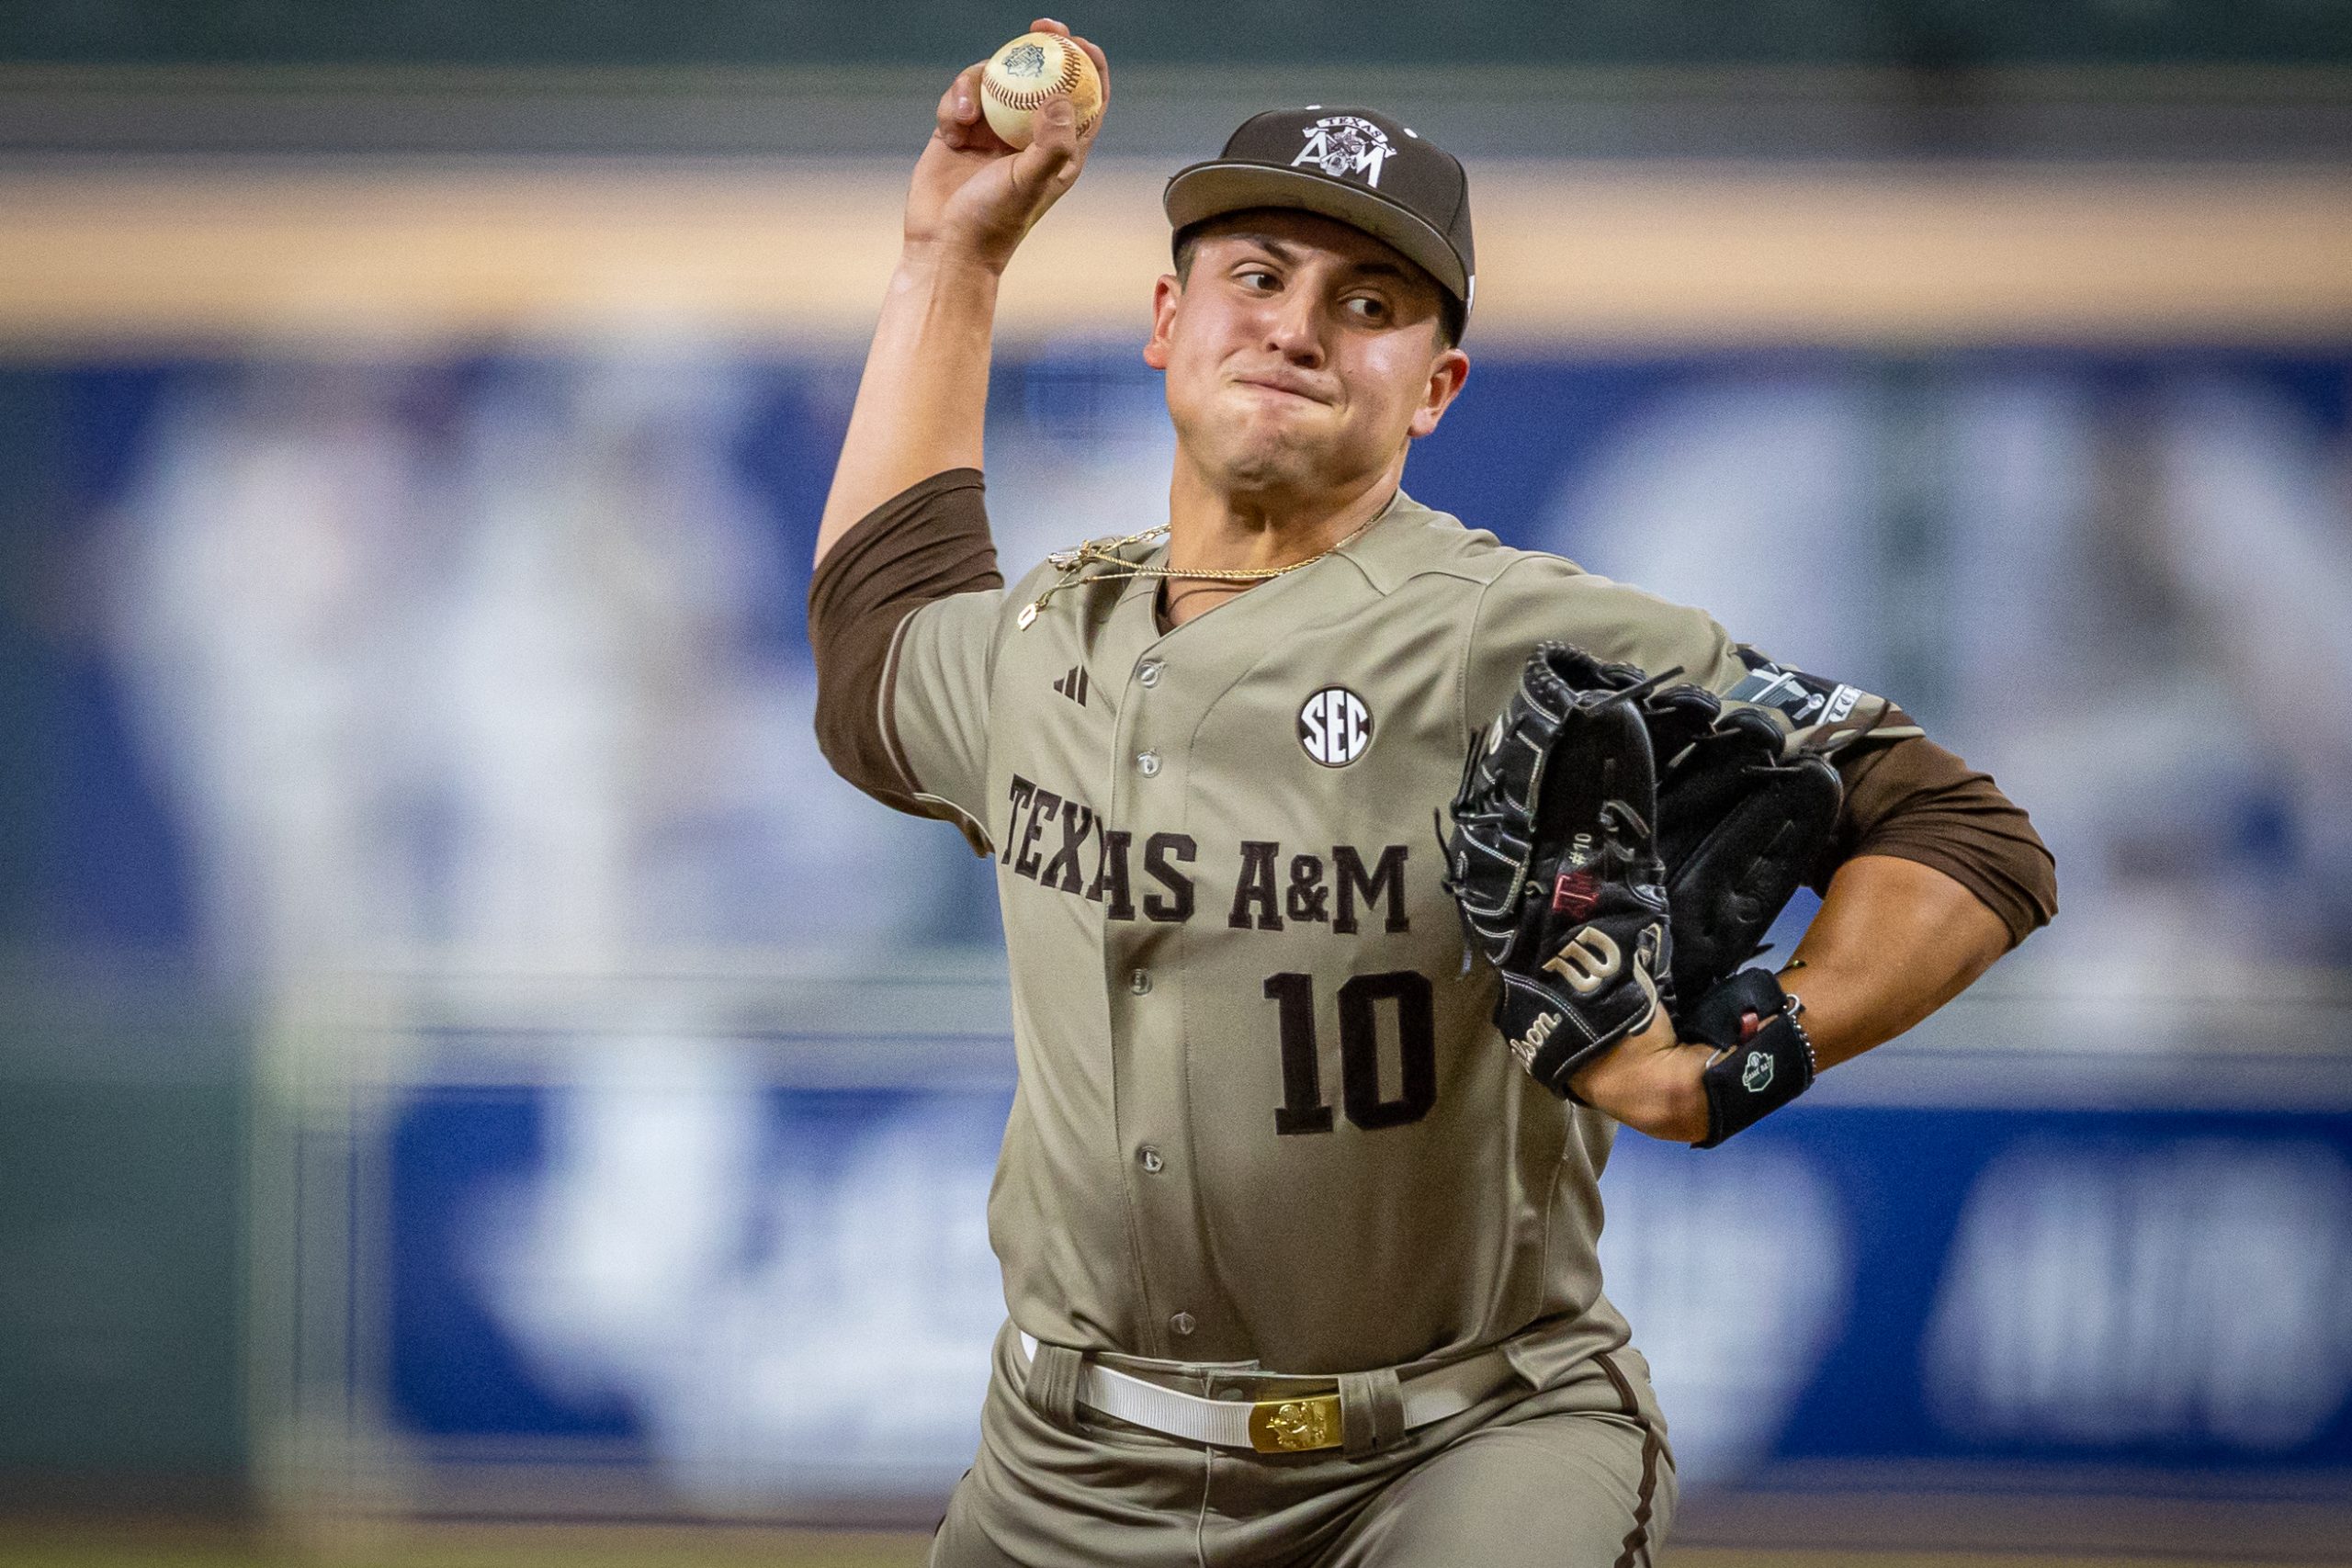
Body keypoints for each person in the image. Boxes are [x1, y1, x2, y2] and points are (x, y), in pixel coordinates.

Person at [808, 18, 2056, 1565]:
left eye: (1371, 302)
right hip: (1069, 1470)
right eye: (1257, 274)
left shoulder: (1519, 633)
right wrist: (952, 256)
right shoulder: (1048, 633)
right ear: (1166, 319)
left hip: (1456, 1448)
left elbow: (1960, 828)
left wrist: (1733, 1060)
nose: (1298, 325)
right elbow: (872, 644)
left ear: (1437, 386)